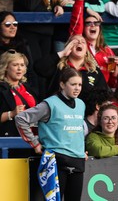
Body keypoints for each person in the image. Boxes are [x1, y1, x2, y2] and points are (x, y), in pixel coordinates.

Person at [15, 67, 86, 200]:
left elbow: (78, 129)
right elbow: (21, 119)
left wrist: (82, 149)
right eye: (73, 84)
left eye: (79, 84)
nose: (77, 88)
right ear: (62, 84)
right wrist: (35, 143)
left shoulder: (81, 104)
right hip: (56, 161)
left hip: (78, 161)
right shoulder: (50, 104)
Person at [13, 0, 64, 98]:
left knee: (46, 71)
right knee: (34, 71)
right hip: (29, 33)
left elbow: (50, 3)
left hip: (47, 33)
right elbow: (30, 5)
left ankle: (44, 102)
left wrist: (58, 6)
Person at [34, 34, 107, 99]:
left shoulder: (94, 71)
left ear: (86, 52)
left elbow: (103, 94)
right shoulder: (58, 66)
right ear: (68, 47)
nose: (79, 42)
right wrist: (63, 53)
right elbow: (38, 67)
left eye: (83, 42)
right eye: (75, 42)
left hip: (85, 112)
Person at [0, 51, 38, 139]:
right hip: (10, 139)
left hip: (32, 138)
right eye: (15, 65)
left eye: (22, 65)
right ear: (6, 67)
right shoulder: (1, 89)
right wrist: (12, 113)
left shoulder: (28, 88)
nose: (19, 68)